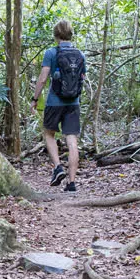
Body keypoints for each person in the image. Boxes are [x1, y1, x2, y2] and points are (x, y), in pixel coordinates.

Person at [32, 19, 86, 191]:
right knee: (72, 141)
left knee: (49, 134)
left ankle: (58, 167)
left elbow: (42, 79)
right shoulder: (80, 54)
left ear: (56, 35)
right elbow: (82, 79)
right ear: (71, 34)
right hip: (73, 103)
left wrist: (34, 99)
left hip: (54, 102)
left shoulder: (51, 53)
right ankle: (71, 183)